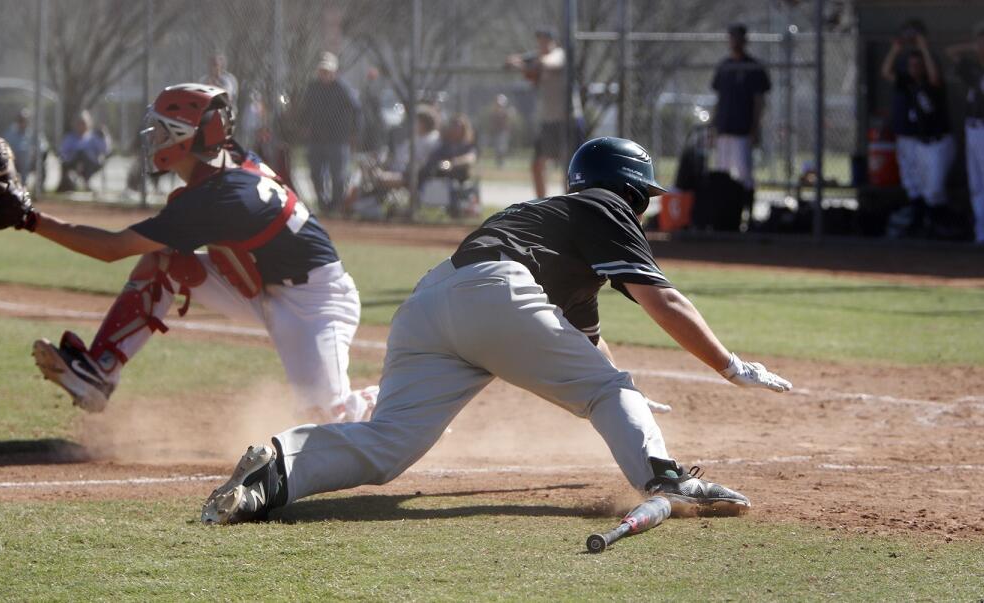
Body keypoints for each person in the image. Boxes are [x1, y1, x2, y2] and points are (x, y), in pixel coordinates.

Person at [201, 137, 793, 526]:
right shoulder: (604, 209)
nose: (639, 209)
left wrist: (620, 387)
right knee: (607, 392)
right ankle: (666, 479)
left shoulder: (549, 219)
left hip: (430, 303)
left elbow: (585, 340)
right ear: (631, 190)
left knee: (386, 445)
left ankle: (275, 469)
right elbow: (660, 298)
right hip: (496, 293)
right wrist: (726, 365)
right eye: (641, 197)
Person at [0, 84, 376, 423]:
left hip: (316, 302)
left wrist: (29, 219)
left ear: (187, 138)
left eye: (163, 130)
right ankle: (100, 371)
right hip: (260, 283)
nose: (154, 138)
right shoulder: (227, 161)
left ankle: (411, 395)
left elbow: (111, 248)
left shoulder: (215, 197)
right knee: (163, 263)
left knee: (330, 423)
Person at [881, 25, 954, 235]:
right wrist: (896, 49)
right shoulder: (906, 82)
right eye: (911, 65)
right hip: (920, 143)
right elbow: (886, 72)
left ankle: (939, 226)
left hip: (938, 141)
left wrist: (924, 48)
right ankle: (924, 224)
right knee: (919, 188)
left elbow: (934, 76)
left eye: (918, 65)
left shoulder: (933, 83)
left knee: (934, 190)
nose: (914, 68)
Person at [947, 22, 984, 245]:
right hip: (971, 128)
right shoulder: (973, 69)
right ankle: (982, 232)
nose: (982, 46)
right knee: (976, 183)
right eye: (980, 42)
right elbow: (950, 52)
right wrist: (974, 47)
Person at [506, 29, 573, 198]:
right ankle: (542, 204)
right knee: (537, 164)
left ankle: (571, 204)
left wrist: (522, 62)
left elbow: (545, 63)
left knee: (570, 167)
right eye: (539, 41)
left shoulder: (559, 54)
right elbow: (532, 71)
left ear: (553, 42)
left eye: (545, 41)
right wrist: (519, 62)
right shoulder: (537, 58)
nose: (542, 45)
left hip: (566, 121)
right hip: (549, 121)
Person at [710, 22, 771, 199]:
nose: (734, 41)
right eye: (731, 37)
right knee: (722, 173)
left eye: (737, 37)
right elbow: (718, 99)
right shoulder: (724, 66)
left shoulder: (754, 67)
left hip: (743, 130)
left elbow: (759, 101)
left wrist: (754, 128)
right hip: (724, 128)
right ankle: (724, 213)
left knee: (745, 173)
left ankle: (748, 211)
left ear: (745, 40)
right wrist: (715, 125)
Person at [300, 52, 361, 214]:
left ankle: (337, 205)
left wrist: (354, 132)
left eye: (328, 71)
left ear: (334, 72)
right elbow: (305, 110)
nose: (324, 74)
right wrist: (305, 127)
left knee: (338, 174)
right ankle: (323, 204)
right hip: (317, 138)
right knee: (315, 173)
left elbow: (356, 110)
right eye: (322, 71)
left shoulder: (343, 89)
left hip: (338, 139)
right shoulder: (313, 88)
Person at [57, 110, 110, 193]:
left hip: (91, 165)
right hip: (73, 163)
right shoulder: (70, 137)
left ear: (89, 124)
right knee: (79, 154)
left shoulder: (94, 137)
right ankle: (72, 183)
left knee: (84, 154)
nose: (81, 126)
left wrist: (105, 137)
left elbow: (105, 150)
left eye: (84, 123)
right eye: (79, 123)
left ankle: (87, 182)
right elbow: (62, 152)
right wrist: (67, 159)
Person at [2, 108, 47, 186]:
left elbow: (43, 147)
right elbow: (4, 147)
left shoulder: (33, 133)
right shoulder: (10, 133)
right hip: (14, 160)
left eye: (24, 120)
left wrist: (35, 153)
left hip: (31, 160)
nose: (22, 122)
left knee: (27, 156)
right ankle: (16, 185)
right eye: (20, 120)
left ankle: (36, 187)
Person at [487, 94, 513, 167]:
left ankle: (502, 162)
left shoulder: (506, 112)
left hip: (503, 133)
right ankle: (498, 163)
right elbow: (492, 123)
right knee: (497, 148)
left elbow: (507, 123)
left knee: (502, 148)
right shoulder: (494, 112)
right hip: (497, 132)